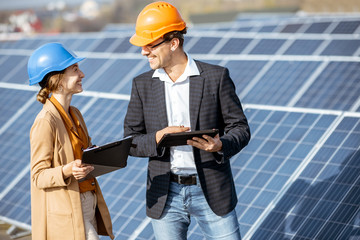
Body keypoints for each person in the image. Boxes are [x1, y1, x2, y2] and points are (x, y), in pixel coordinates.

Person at [123, 2, 251, 240]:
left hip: (211, 190)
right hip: (165, 193)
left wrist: (220, 145)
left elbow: (241, 128)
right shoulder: (142, 85)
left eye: (150, 45)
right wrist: (160, 137)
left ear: (173, 43)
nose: (143, 51)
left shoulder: (215, 77)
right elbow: (130, 141)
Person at [28, 42, 114, 240]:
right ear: (57, 80)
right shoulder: (45, 122)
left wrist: (100, 154)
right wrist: (68, 170)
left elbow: (83, 153)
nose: (82, 74)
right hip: (67, 209)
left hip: (88, 201)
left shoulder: (75, 113)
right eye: (75, 69)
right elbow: (38, 177)